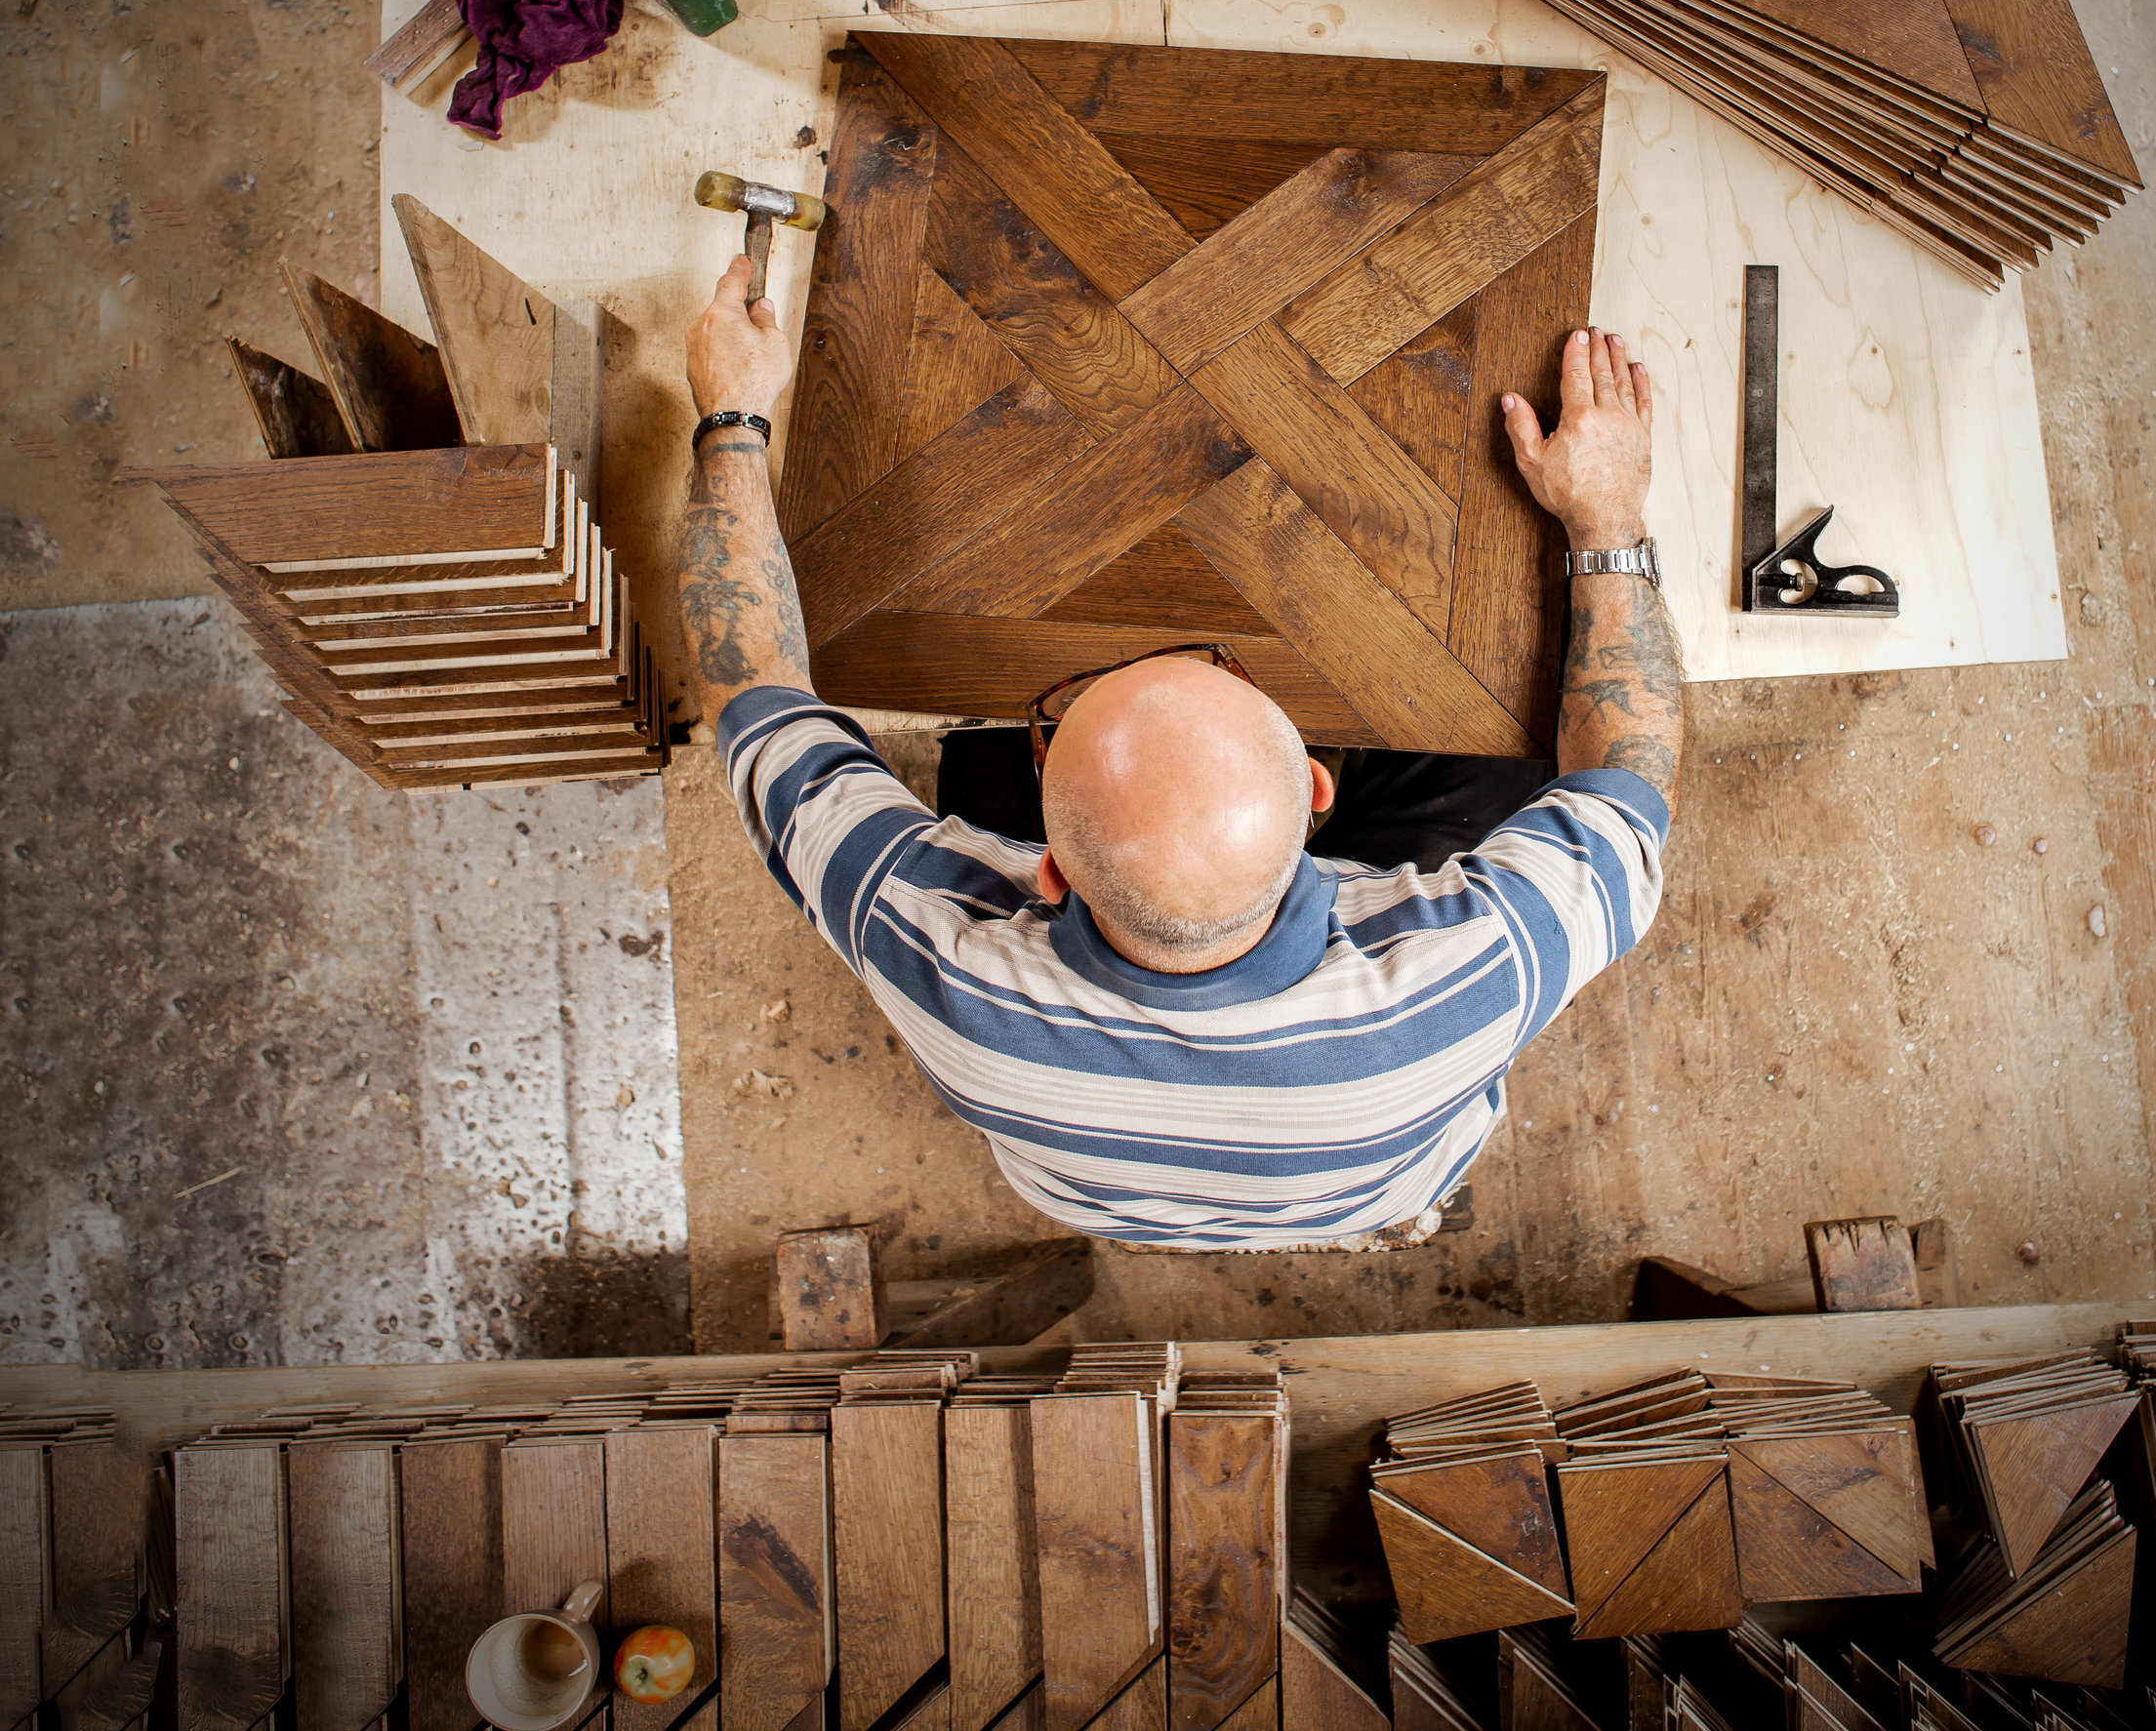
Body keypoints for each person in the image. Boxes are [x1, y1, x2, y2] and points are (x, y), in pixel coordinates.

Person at [678, 254, 1684, 1249]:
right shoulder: (1469, 977)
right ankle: (1377, 1216)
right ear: (1318, 787)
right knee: (1507, 750)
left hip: (1089, 1184)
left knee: (974, 756)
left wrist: (731, 415)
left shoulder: (940, 961)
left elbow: (751, 693)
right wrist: (1605, 512)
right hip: (1373, 1176)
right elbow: (1625, 780)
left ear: (1049, 865)